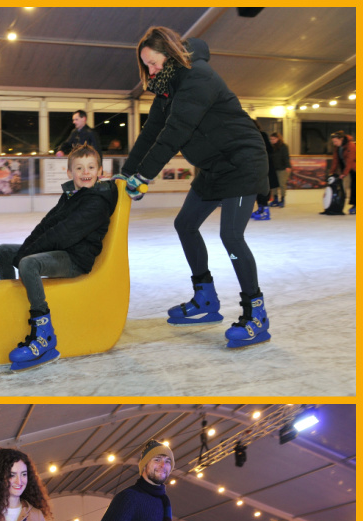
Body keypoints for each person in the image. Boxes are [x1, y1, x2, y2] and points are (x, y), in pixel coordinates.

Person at [116, 27, 272, 349]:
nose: (151, 71)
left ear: (169, 54)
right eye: (146, 66)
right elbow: (151, 133)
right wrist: (125, 173)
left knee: (230, 235)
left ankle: (256, 314)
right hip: (212, 167)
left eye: (154, 63)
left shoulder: (197, 76)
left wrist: (143, 177)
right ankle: (205, 298)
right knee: (185, 224)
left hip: (242, 161)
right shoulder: (167, 88)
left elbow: (174, 133)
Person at [0, 144, 117, 371]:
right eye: (79, 168)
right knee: (4, 251)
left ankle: (44, 336)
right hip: (63, 250)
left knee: (28, 264)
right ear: (70, 173)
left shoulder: (97, 202)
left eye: (91, 167)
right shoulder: (71, 195)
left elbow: (63, 234)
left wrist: (26, 255)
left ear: (100, 171)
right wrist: (25, 248)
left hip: (75, 259)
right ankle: (13, 307)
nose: (85, 172)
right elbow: (48, 225)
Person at [250, 122, 277, 221]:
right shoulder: (251, 135)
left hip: (264, 165)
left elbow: (269, 150)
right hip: (256, 165)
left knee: (264, 187)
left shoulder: (261, 135)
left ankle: (265, 211)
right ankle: (261, 208)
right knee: (258, 188)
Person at [327, 131, 355, 215]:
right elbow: (335, 160)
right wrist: (331, 172)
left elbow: (350, 161)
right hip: (345, 167)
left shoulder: (351, 146)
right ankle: (339, 204)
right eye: (333, 142)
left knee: (355, 187)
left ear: (341, 139)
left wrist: (344, 173)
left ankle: (356, 205)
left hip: (354, 168)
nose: (334, 143)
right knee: (342, 186)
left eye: (336, 141)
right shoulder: (337, 147)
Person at [268, 133, 291, 208]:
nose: (272, 140)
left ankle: (282, 199)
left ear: (278, 138)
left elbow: (286, 157)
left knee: (282, 184)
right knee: (274, 185)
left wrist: (287, 166)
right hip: (273, 168)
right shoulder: (271, 147)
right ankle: (275, 199)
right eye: (271, 139)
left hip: (282, 168)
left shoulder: (283, 146)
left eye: (273, 139)